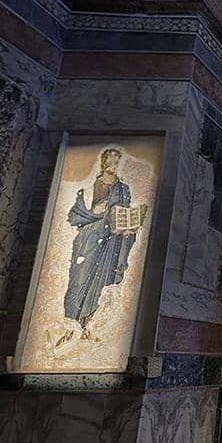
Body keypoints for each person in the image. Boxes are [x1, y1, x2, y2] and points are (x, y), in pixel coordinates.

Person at [56, 147, 144, 345]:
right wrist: (94, 211)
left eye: (116, 161)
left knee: (101, 284)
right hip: (90, 240)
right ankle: (68, 328)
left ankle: (87, 327)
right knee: (79, 281)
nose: (113, 164)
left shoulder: (123, 188)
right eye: (110, 160)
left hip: (112, 243)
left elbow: (124, 214)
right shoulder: (90, 186)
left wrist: (130, 226)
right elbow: (76, 214)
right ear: (103, 161)